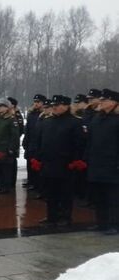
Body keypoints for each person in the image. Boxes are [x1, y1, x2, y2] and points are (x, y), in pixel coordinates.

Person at [35, 95, 85, 227]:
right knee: (50, 193)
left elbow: (79, 144)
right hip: (49, 163)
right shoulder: (47, 121)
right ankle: (52, 216)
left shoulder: (75, 122)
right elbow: (41, 142)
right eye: (54, 105)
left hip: (66, 164)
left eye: (58, 105)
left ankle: (65, 216)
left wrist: (75, 160)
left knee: (65, 193)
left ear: (67, 106)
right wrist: (38, 158)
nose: (55, 107)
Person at [86, 88, 119, 235]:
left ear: (114, 102)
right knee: (99, 196)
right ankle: (101, 223)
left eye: (104, 100)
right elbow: (91, 139)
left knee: (113, 196)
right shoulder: (97, 118)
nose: (101, 102)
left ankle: (114, 224)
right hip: (97, 163)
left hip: (113, 164)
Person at [0, 98, 20, 194]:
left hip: (5, 149)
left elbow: (15, 136)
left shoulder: (11, 119)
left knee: (5, 169)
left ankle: (6, 187)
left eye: (1, 106)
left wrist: (11, 149)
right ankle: (0, 185)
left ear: (7, 108)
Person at [22, 94, 46, 190]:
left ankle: (37, 184)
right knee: (29, 163)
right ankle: (31, 181)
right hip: (30, 142)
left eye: (38, 102)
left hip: (38, 143)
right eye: (35, 102)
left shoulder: (43, 115)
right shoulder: (31, 114)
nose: (36, 104)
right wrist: (25, 141)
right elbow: (27, 128)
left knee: (38, 164)